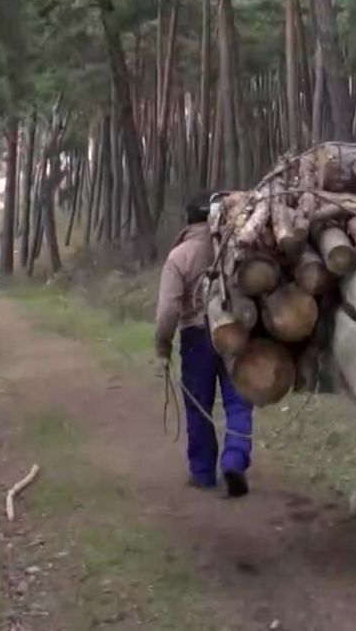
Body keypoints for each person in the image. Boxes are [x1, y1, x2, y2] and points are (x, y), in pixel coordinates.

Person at [154, 192, 252, 497]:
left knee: (199, 404)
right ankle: (235, 459)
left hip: (197, 337)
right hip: (235, 331)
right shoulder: (237, 249)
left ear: (188, 221)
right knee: (238, 400)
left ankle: (203, 472)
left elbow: (168, 310)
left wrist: (163, 346)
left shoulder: (179, 256)